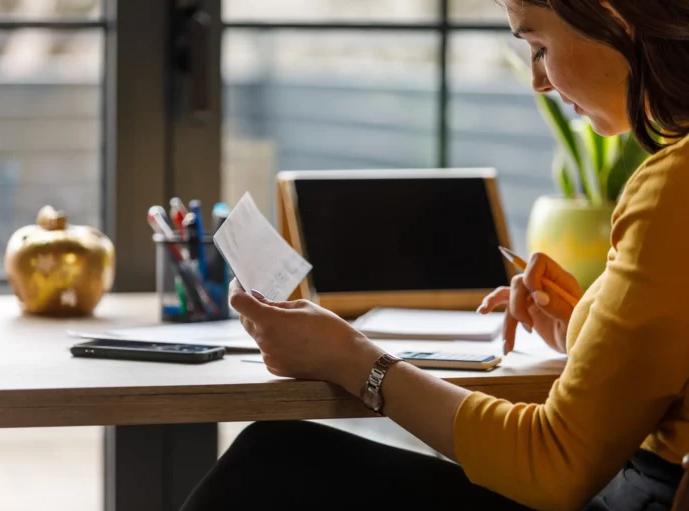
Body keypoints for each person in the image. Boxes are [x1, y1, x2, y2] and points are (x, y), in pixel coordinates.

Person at [181, 1, 689, 509]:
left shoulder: (673, 186)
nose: (538, 81)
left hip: (634, 495)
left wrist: (350, 358)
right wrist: (586, 328)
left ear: (616, 17)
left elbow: (554, 463)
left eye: (539, 47)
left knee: (271, 464)